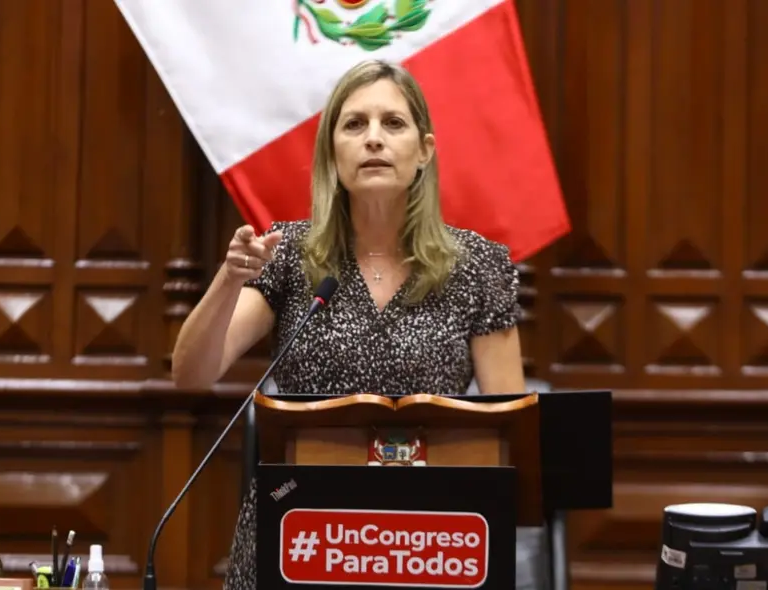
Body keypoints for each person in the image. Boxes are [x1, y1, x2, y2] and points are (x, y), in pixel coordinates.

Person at [172, 59, 526, 590]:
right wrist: (228, 278)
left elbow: (509, 435)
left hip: (426, 544)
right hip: (299, 536)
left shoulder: (475, 267)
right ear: (332, 154)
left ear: (424, 150)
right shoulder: (290, 254)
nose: (374, 139)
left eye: (393, 123)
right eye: (355, 124)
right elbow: (192, 375)